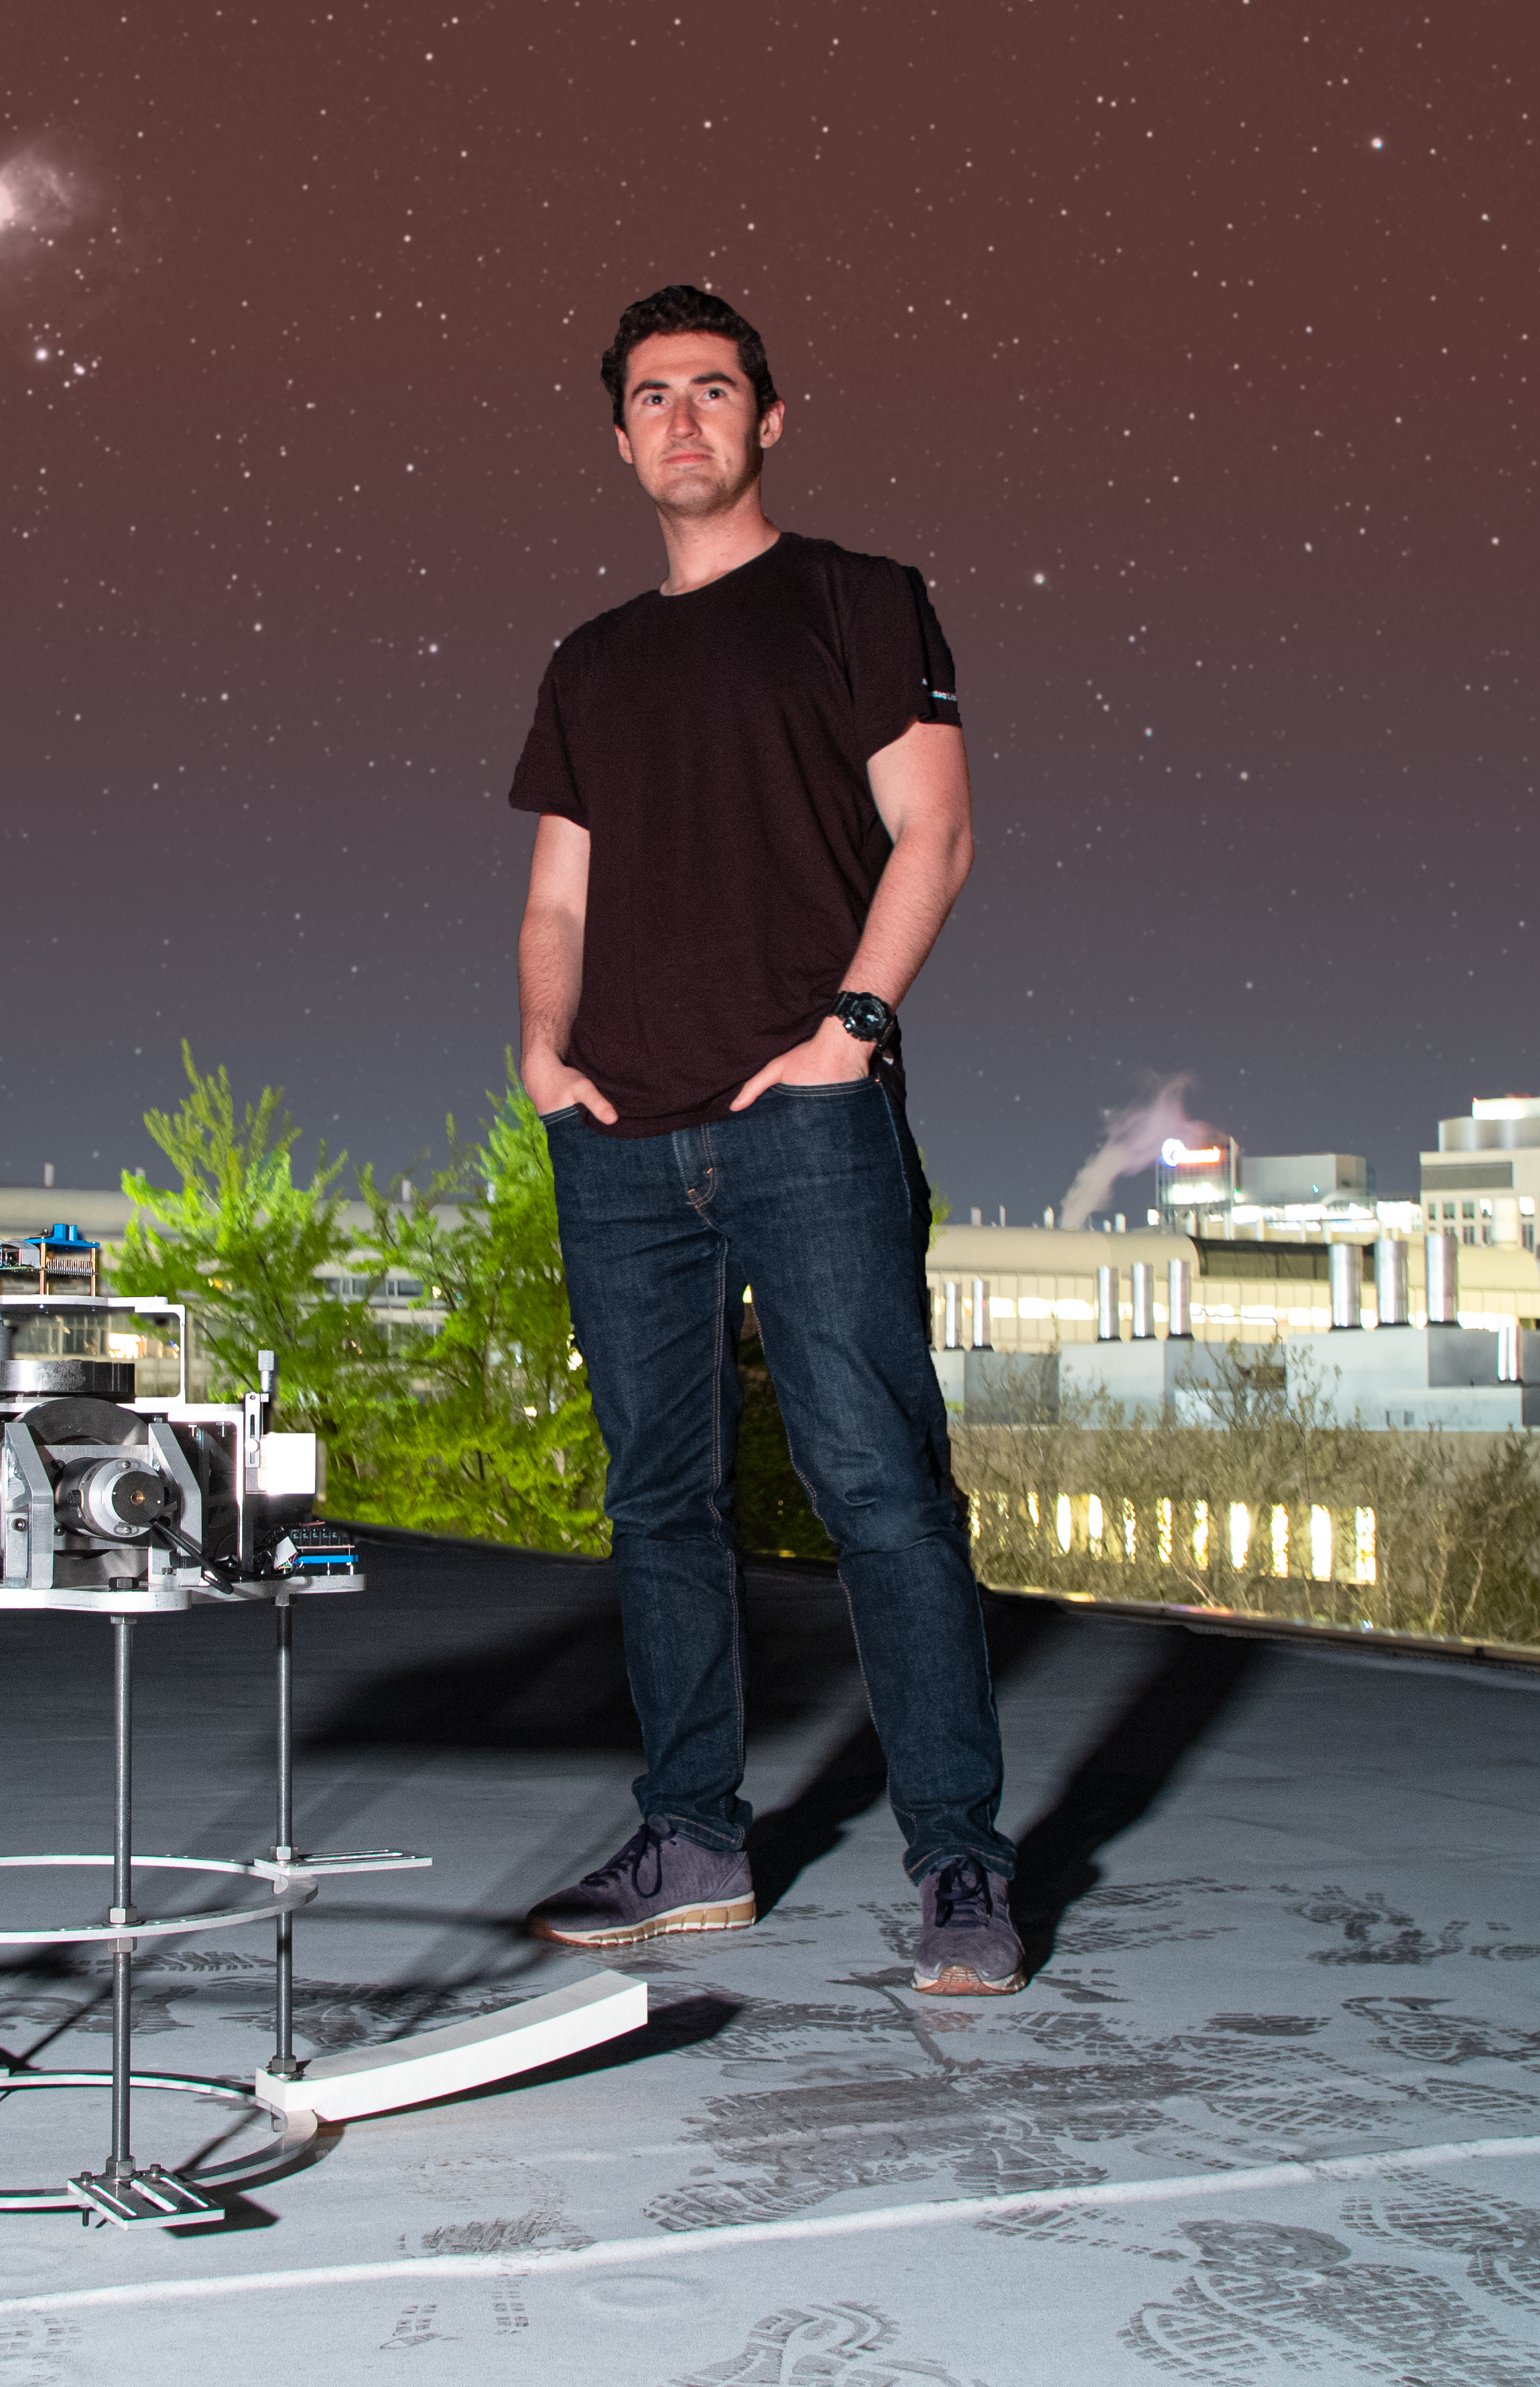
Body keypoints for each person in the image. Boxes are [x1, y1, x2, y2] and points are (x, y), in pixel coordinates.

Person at [506, 284, 1021, 1996]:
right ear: (619, 436)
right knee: (656, 1502)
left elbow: (931, 833)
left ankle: (959, 1863)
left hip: (806, 1123)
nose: (682, 419)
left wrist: (847, 1035)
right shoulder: (588, 662)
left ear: (769, 418)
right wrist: (540, 1050)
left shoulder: (860, 600)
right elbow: (557, 892)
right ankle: (696, 1840)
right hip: (620, 1142)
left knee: (881, 1489)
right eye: (651, 396)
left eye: (713, 390)